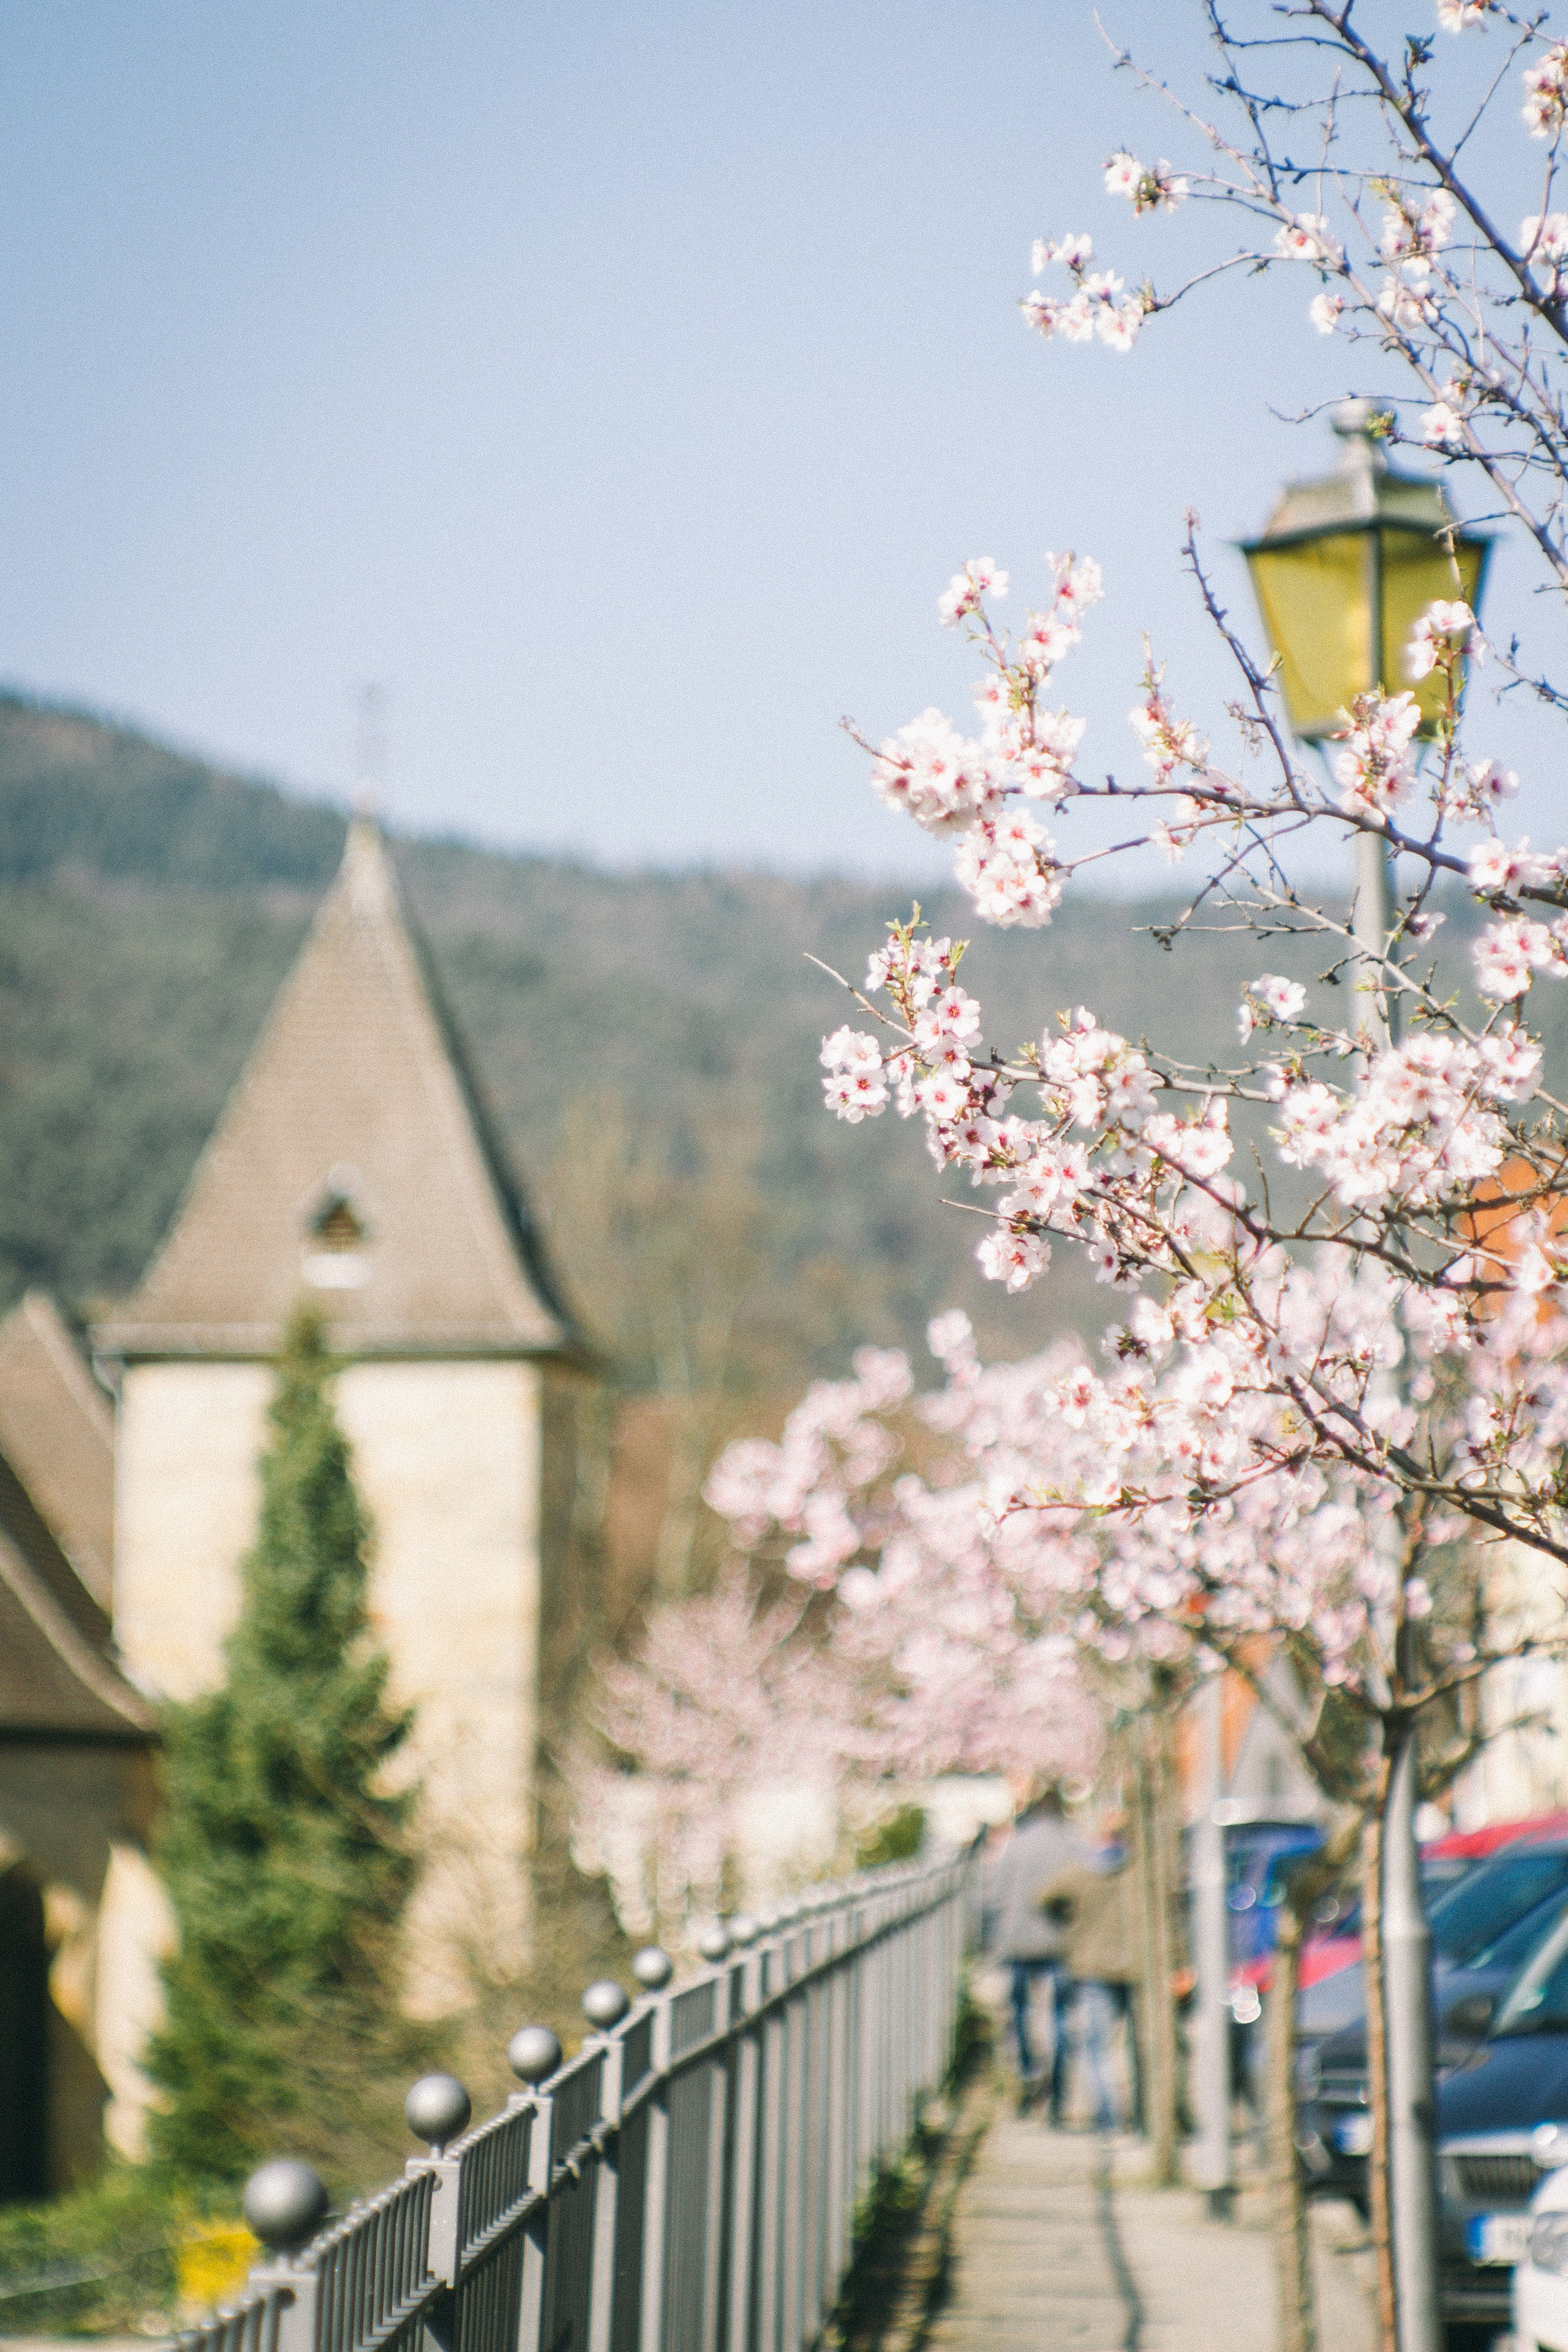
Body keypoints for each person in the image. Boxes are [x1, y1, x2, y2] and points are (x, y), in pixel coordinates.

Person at [986, 1778, 1093, 2119]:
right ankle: (1059, 2092)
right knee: (1062, 2015)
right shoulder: (1072, 1844)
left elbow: (994, 1895)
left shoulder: (1015, 1845)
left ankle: (1027, 2072)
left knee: (1018, 2012)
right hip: (1060, 1942)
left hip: (1017, 1942)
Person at [1036, 1850, 1142, 2132]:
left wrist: (1069, 1922)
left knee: (1096, 2047)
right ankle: (1142, 2118)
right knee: (1137, 2045)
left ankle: (1109, 2119)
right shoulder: (1138, 1871)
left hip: (1092, 1967)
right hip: (1134, 1965)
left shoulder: (1077, 1871)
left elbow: (1042, 1900)